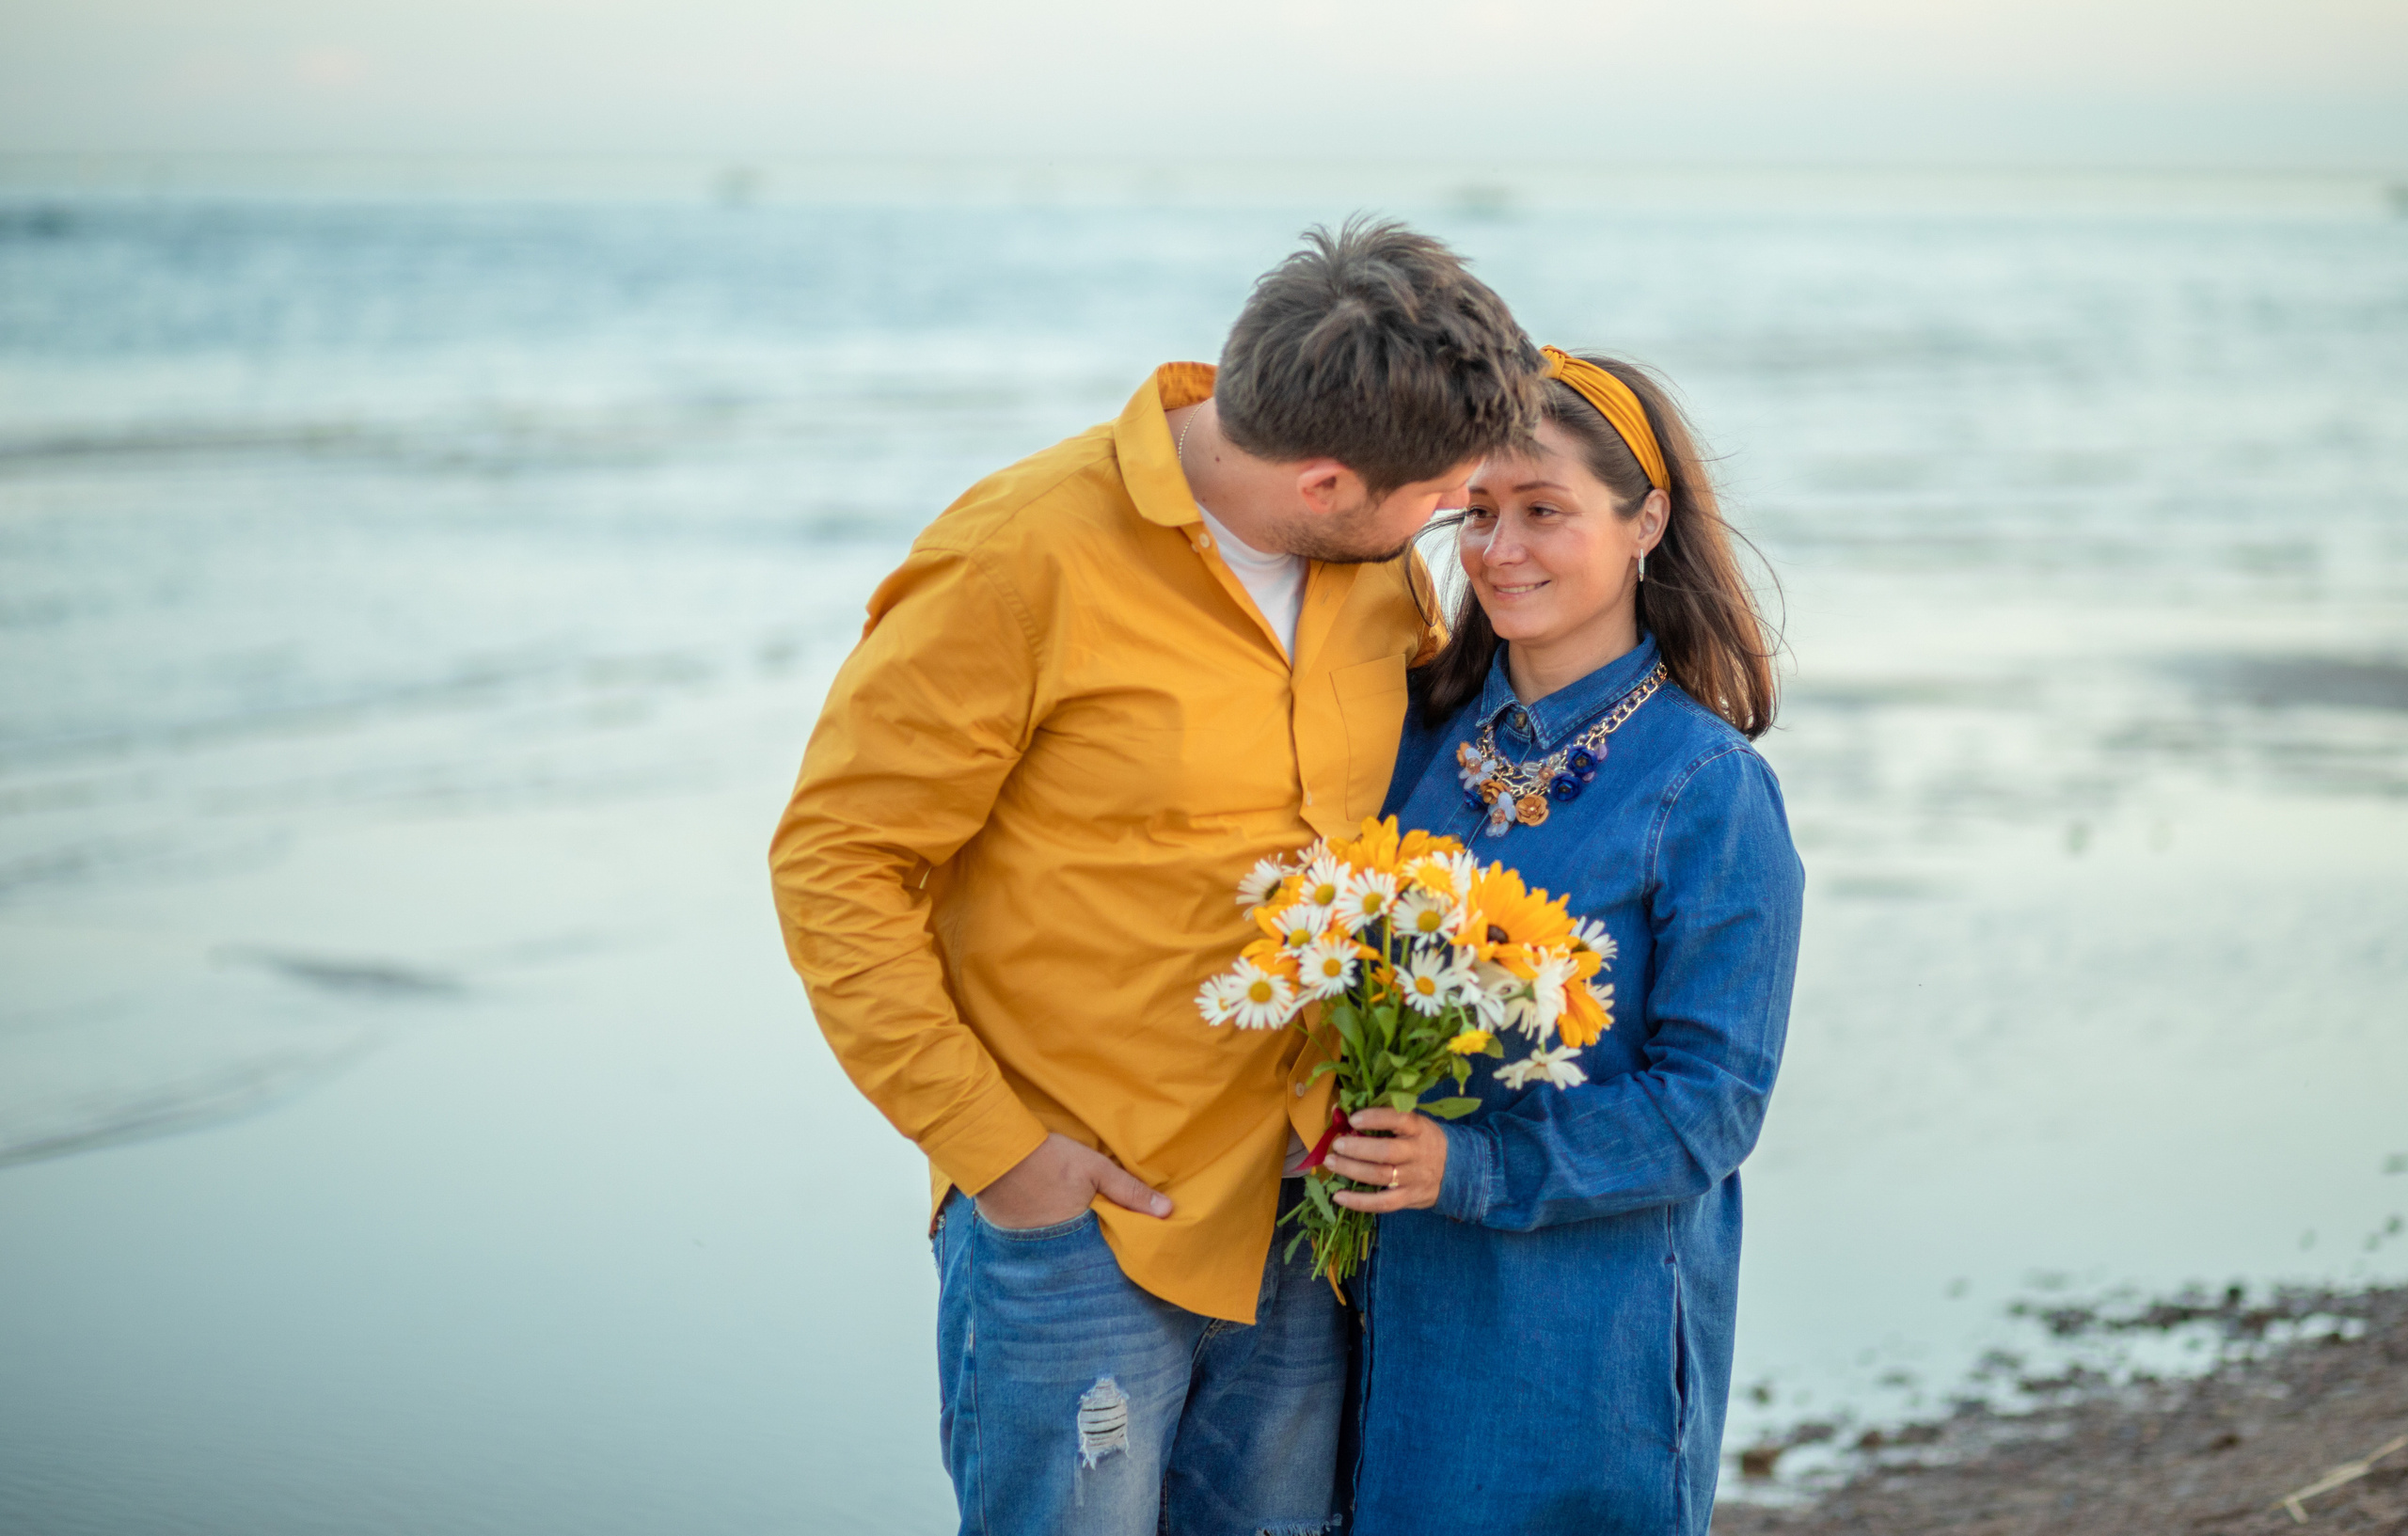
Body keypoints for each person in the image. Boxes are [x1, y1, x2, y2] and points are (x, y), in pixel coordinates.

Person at [767, 220, 1545, 1536]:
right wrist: (1004, 1158)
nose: (1455, 529)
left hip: (1309, 1219)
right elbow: (839, 862)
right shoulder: (1019, 554)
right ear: (1325, 482)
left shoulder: (1374, 572)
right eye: (1444, 501)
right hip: (1085, 1227)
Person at [1319, 348, 1804, 1533]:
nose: (1499, 548)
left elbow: (1711, 1105)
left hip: (1581, 1336)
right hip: (1365, 1307)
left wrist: (1470, 1166)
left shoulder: (1707, 789)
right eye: (1476, 512)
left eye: (1544, 510)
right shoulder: (1411, 740)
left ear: (1646, 520)